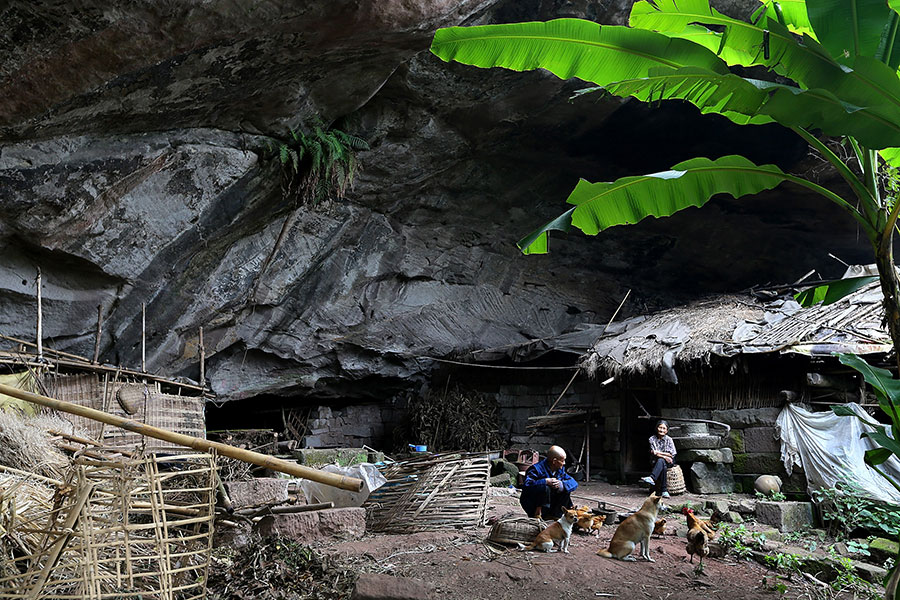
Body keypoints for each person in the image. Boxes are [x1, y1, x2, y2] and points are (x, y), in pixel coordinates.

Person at [519, 445, 578, 519]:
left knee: (565, 487)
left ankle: (556, 515)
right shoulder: (536, 469)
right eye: (562, 461)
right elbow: (527, 486)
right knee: (545, 487)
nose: (564, 463)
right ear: (554, 461)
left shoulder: (560, 469)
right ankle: (538, 514)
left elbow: (573, 482)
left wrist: (562, 485)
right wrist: (545, 481)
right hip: (533, 504)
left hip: (552, 505)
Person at [640, 420, 676, 498]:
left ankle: (652, 477)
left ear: (666, 431)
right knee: (662, 462)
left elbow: (671, 454)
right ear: (657, 428)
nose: (661, 430)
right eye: (660, 428)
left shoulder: (669, 439)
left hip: (669, 461)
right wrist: (664, 456)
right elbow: (653, 453)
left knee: (662, 461)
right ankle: (664, 491)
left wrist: (660, 453)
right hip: (656, 460)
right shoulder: (652, 439)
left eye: (664, 428)